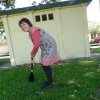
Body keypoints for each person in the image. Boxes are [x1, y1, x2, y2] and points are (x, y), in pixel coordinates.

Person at [19, 18, 60, 89]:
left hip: (49, 46)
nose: (23, 27)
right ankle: (49, 81)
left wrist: (32, 54)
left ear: (28, 23)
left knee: (45, 64)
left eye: (24, 24)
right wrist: (32, 56)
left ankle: (50, 83)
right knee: (44, 64)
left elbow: (37, 44)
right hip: (45, 47)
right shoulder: (30, 33)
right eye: (21, 26)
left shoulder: (34, 30)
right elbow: (36, 43)